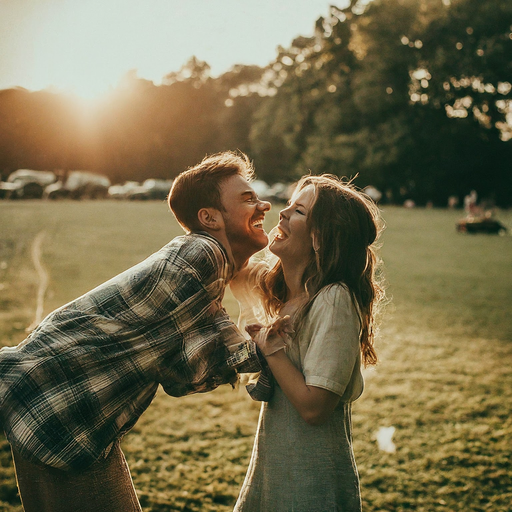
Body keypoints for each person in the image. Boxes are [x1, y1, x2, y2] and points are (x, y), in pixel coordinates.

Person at [0, 151, 272, 512]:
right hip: (59, 407)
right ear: (209, 217)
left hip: (61, 407)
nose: (264, 204)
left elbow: (183, 367)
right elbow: (195, 363)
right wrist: (268, 345)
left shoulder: (201, 261)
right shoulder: (204, 255)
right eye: (248, 198)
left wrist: (252, 342)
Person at [232, 174, 384, 512]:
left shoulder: (334, 300)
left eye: (298, 211)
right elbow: (231, 269)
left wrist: (271, 350)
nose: (282, 214)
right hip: (273, 471)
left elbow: (315, 408)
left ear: (319, 239)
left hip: (312, 482)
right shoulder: (286, 293)